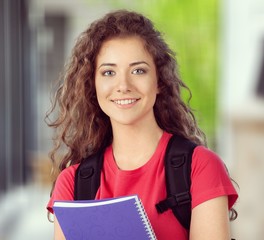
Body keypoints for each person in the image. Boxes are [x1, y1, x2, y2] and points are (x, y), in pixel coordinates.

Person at [45, 9, 238, 240]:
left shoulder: (200, 167)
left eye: (138, 70)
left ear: (159, 81)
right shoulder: (73, 183)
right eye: (108, 72)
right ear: (92, 86)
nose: (123, 85)